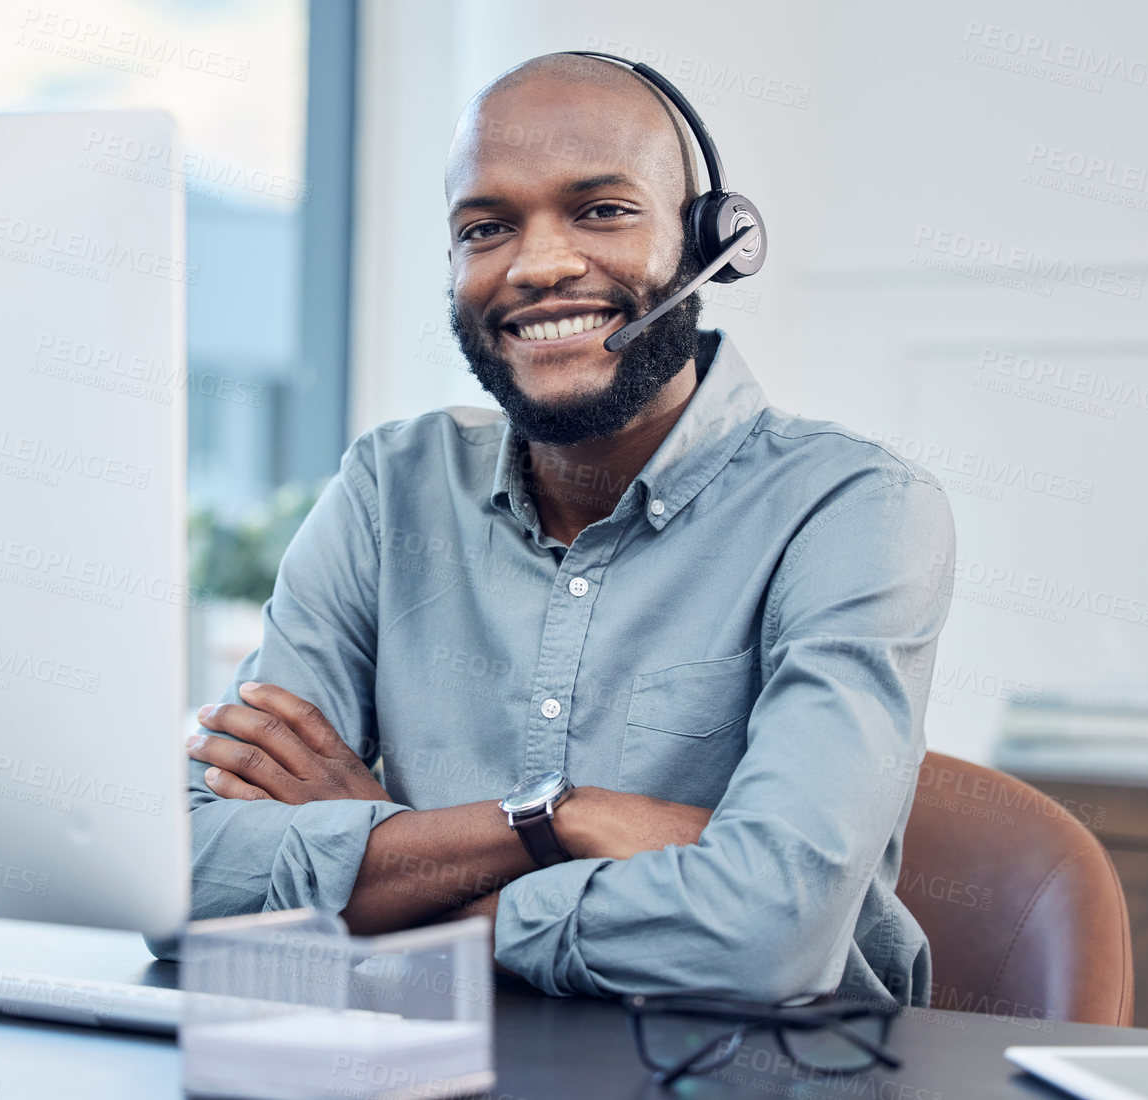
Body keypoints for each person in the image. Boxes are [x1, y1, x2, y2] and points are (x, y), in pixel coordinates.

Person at [166, 52, 955, 1006]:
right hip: (425, 1060)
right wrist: (556, 821)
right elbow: (188, 871)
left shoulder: (854, 508)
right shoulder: (390, 488)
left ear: (709, 240)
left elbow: (767, 932)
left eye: (601, 210)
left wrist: (399, 863)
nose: (539, 265)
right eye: (486, 227)